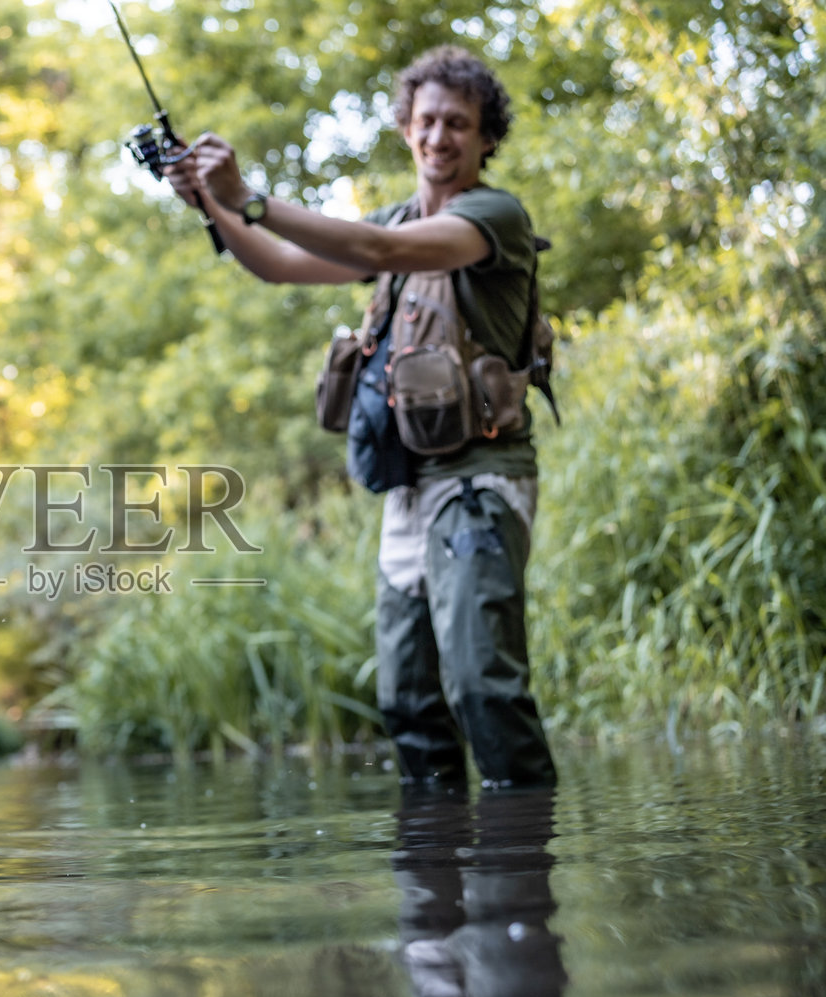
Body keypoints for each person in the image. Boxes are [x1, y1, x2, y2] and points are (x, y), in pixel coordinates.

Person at [166, 45, 556, 789]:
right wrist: (210, 205)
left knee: (483, 686)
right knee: (406, 698)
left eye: (459, 125)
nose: (440, 137)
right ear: (407, 127)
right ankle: (435, 883)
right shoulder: (398, 215)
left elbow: (380, 248)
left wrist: (248, 195)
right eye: (428, 121)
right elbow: (280, 262)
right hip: (408, 491)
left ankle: (521, 876)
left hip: (481, 477)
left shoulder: (494, 216)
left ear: (485, 139)